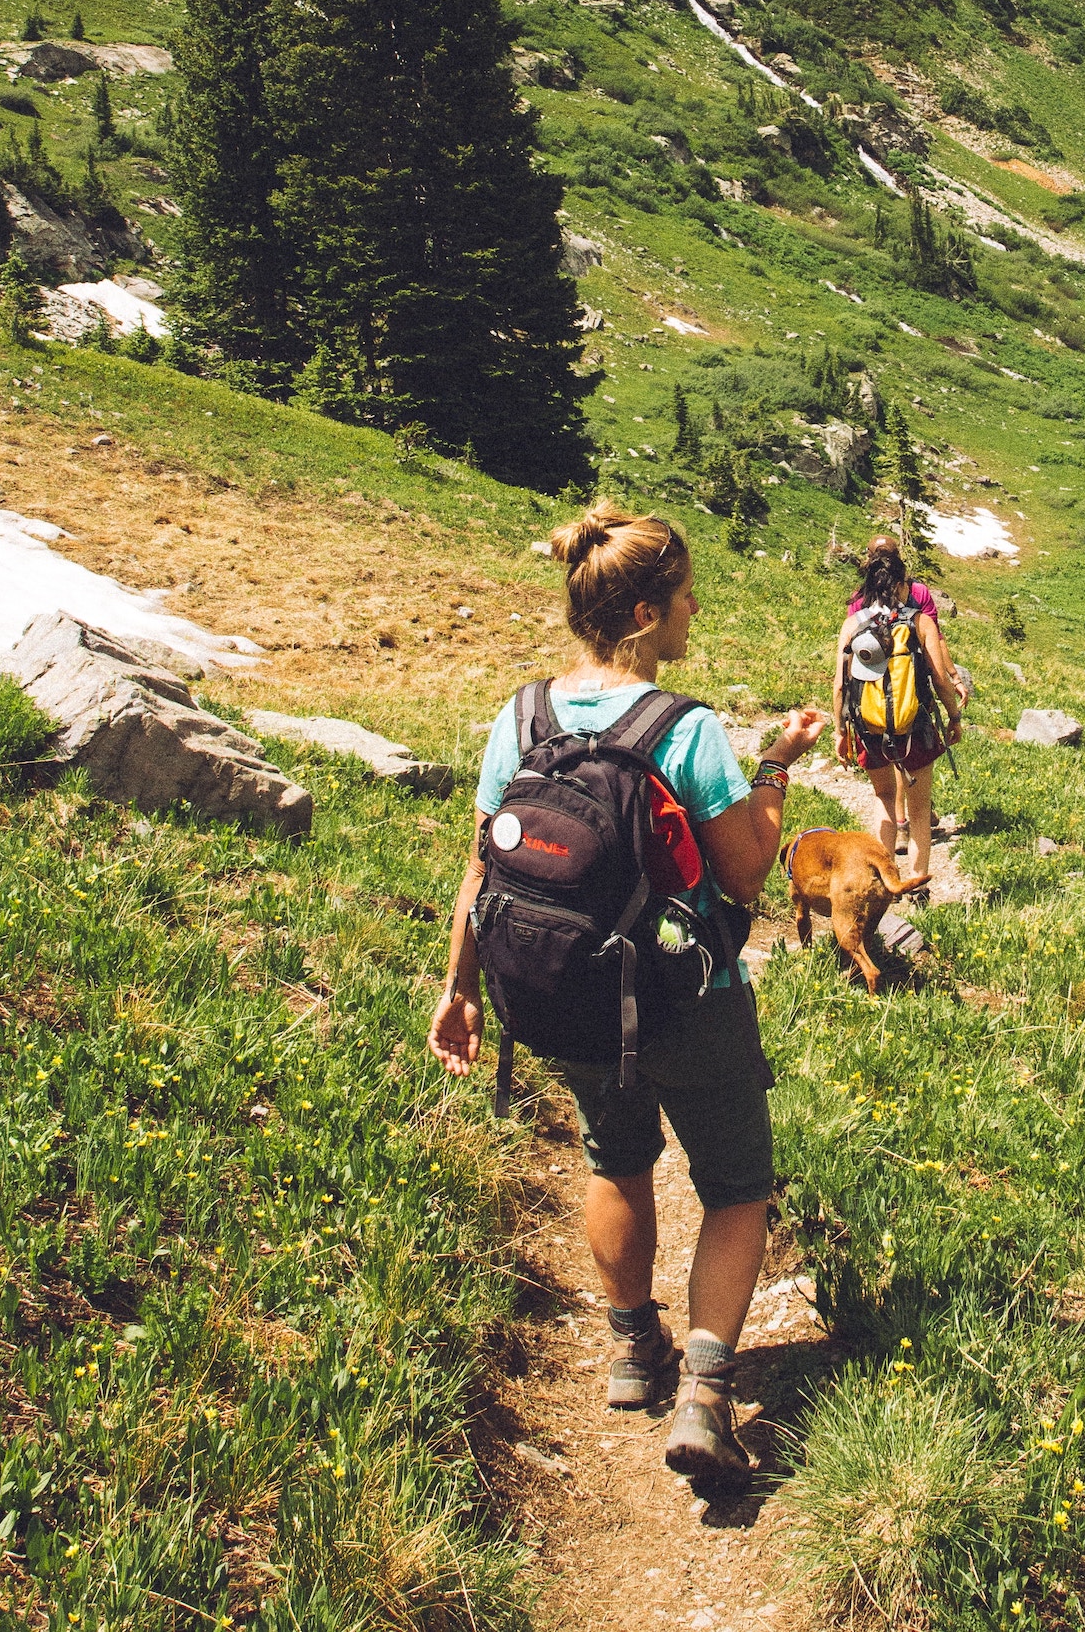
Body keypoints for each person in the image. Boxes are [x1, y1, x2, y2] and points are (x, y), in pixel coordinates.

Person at [428, 503, 823, 1486]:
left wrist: (459, 989)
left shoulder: (520, 716)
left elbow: (484, 863)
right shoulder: (683, 729)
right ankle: (703, 1392)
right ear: (646, 613)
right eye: (686, 594)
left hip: (563, 993)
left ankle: (630, 1346)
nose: (696, 609)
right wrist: (774, 767)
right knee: (736, 1189)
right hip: (688, 996)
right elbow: (743, 874)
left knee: (617, 1158)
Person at [832, 536, 966, 881]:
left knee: (883, 798)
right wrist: (953, 717)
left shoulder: (852, 623)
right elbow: (939, 679)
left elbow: (839, 686)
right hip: (915, 725)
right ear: (903, 581)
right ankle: (919, 885)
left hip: (868, 727)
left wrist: (840, 732)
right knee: (920, 811)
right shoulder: (919, 621)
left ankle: (884, 880)